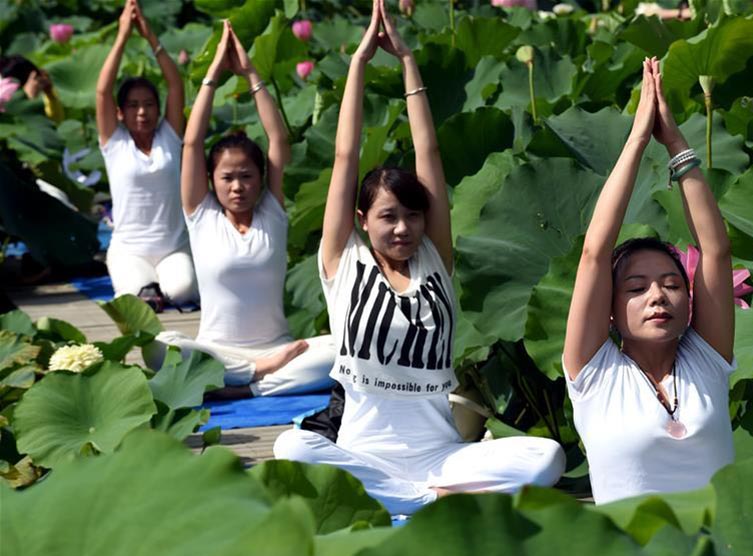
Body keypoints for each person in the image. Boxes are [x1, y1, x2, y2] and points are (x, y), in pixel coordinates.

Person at [273, 0, 566, 516]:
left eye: (412, 215)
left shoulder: (436, 261)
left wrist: (409, 63)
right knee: (290, 447)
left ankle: (412, 497)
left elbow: (429, 154)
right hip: (360, 453)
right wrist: (359, 67)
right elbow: (345, 157)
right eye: (388, 217)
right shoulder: (343, 264)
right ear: (362, 219)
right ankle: (430, 503)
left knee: (548, 456)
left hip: (442, 456)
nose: (403, 227)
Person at [562, 58, 736, 505]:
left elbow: (715, 251)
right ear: (611, 308)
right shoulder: (593, 373)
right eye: (636, 288)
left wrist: (675, 141)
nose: (657, 295)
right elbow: (593, 254)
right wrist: (638, 138)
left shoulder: (707, 361)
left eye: (672, 284)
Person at [147, 21, 334, 398]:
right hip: (217, 352)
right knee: (159, 344)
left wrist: (250, 72)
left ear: (262, 178)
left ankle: (242, 388)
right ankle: (255, 376)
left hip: (281, 349)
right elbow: (191, 142)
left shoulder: (272, 212)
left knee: (342, 349)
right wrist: (212, 76)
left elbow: (278, 137)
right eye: (227, 177)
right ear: (211, 179)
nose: (237, 186)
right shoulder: (201, 216)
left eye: (247, 176)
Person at [96, 0, 197, 307]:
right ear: (121, 113)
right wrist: (123, 35)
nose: (142, 112)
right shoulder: (114, 142)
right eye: (133, 106)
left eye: (150, 104)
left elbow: (175, 84)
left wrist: (151, 37)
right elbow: (102, 90)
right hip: (129, 250)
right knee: (136, 298)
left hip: (173, 248)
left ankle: (159, 289)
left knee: (181, 292)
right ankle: (145, 289)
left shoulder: (169, 135)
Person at [0, 55, 65, 123]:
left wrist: (50, 94)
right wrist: (29, 97)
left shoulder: (44, 96)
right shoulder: (5, 98)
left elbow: (55, 123)